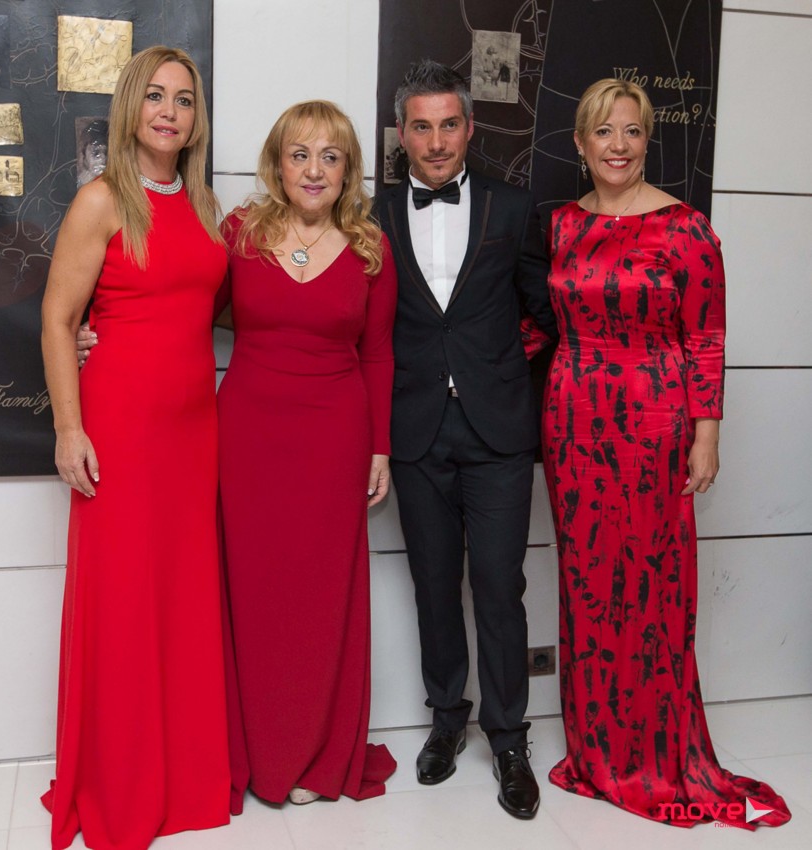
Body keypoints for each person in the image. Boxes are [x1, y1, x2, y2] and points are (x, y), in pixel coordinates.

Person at [543, 77, 791, 829]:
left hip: (654, 424)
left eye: (632, 131)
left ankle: (651, 754)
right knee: (586, 581)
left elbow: (706, 337)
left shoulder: (686, 229)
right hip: (573, 422)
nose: (618, 146)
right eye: (603, 132)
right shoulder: (560, 225)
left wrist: (706, 434)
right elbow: (538, 323)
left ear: (648, 141)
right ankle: (596, 751)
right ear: (580, 144)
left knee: (650, 585)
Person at [40, 46, 230, 850]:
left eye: (183, 100)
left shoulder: (207, 205)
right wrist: (69, 428)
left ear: (195, 120)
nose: (169, 112)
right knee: (121, 605)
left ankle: (182, 774)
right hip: (118, 429)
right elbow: (57, 321)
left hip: (193, 434)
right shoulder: (101, 200)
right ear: (130, 107)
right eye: (155, 96)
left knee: (181, 603)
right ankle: (120, 782)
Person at [374, 60, 557, 819]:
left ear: (470, 127)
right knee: (433, 585)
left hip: (498, 432)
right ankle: (447, 719)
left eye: (450, 124)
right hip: (415, 430)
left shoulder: (514, 208)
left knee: (499, 586)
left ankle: (509, 738)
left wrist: (502, 372)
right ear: (403, 134)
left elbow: (548, 312)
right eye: (422, 127)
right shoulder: (374, 214)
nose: (437, 140)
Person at [217, 100, 398, 808]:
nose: (314, 170)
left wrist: (380, 447)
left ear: (348, 169)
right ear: (278, 164)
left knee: (320, 597)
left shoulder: (369, 247)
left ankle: (316, 753)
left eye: (330, 156)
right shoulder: (240, 234)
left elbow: (378, 355)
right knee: (253, 591)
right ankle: (257, 751)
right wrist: (93, 333)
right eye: (300, 154)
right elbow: (182, 310)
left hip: (334, 439)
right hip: (248, 437)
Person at [76, 118, 109, 187]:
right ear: (84, 155)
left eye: (107, 153)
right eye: (96, 153)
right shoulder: (81, 184)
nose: (102, 160)